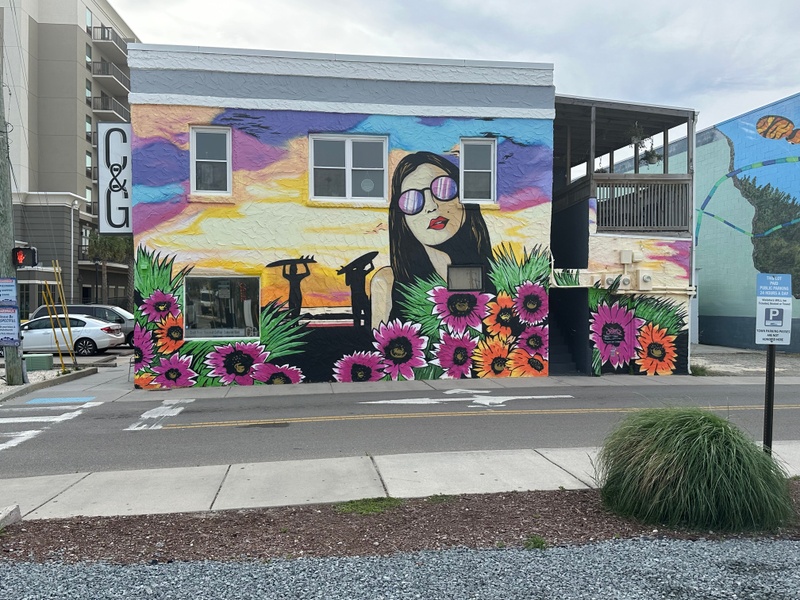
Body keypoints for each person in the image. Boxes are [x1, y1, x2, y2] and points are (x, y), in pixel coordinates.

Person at [371, 151, 493, 328]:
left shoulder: (499, 277)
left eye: (444, 188)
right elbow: (379, 351)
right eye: (412, 200)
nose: (431, 205)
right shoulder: (386, 282)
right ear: (402, 219)